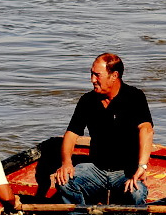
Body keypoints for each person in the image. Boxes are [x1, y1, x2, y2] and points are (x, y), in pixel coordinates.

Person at [53, 53, 154, 205]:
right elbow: (71, 134)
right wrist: (66, 162)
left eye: (97, 75)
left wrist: (142, 167)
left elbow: (146, 129)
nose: (92, 80)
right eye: (91, 74)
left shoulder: (134, 97)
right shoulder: (87, 100)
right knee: (64, 182)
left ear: (114, 76)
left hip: (126, 171)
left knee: (137, 194)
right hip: (95, 169)